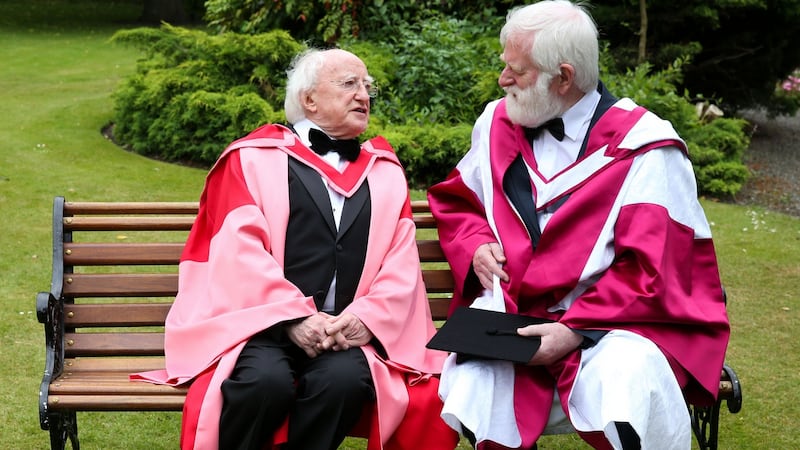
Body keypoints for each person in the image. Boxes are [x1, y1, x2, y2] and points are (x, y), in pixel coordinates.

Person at [426, 2, 731, 449]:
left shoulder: (646, 148)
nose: (502, 80)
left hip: (611, 327)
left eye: (517, 70)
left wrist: (573, 331)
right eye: (504, 67)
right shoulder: (496, 123)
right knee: (475, 381)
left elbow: (651, 270)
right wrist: (476, 245)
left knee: (626, 378)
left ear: (564, 77)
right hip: (512, 322)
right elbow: (460, 202)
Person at [132, 48, 458, 450]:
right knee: (261, 384)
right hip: (263, 328)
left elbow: (400, 263)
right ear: (309, 100)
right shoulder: (252, 159)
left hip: (342, 333)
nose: (364, 95)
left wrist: (364, 319)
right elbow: (239, 254)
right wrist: (294, 317)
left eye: (367, 86)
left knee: (343, 383)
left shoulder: (385, 172)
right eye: (349, 84)